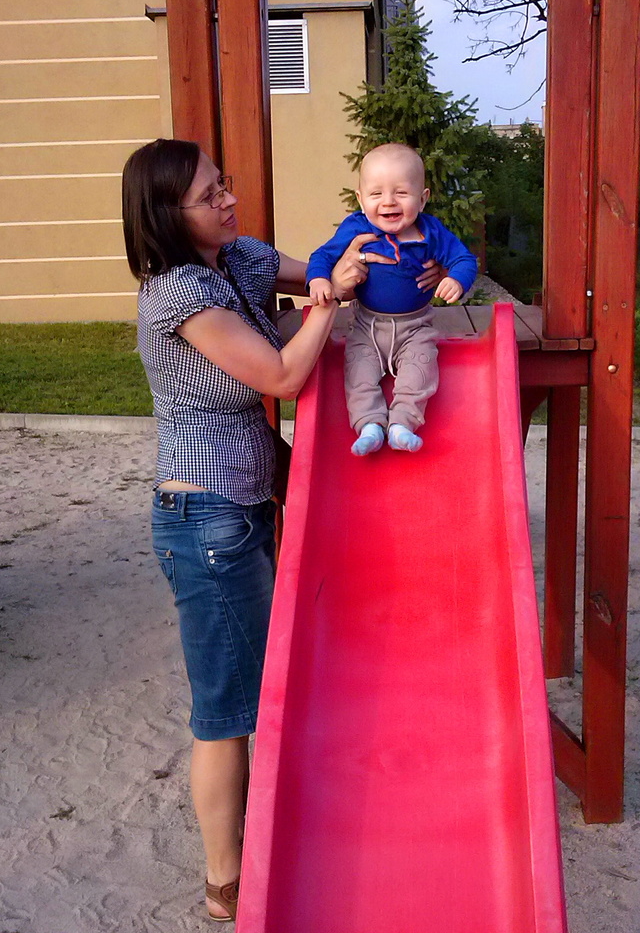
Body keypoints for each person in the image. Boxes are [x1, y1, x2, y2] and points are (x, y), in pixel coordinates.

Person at [121, 138, 444, 921]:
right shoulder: (177, 295)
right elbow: (283, 375)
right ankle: (224, 882)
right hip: (204, 519)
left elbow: (330, 270)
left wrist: (398, 262)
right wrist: (329, 306)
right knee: (227, 710)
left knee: (264, 687)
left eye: (224, 183)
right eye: (209, 195)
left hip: (247, 507)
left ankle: (269, 838)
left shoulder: (239, 260)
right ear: (166, 215)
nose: (228, 199)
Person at [306, 143, 478, 456]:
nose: (388, 201)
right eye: (376, 194)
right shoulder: (357, 228)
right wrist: (318, 279)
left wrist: (456, 279)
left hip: (416, 326)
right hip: (366, 326)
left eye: (401, 192)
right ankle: (369, 425)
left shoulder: (430, 233)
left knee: (420, 370)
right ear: (361, 199)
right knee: (359, 373)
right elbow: (323, 256)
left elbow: (464, 259)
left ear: (422, 199)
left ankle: (402, 425)